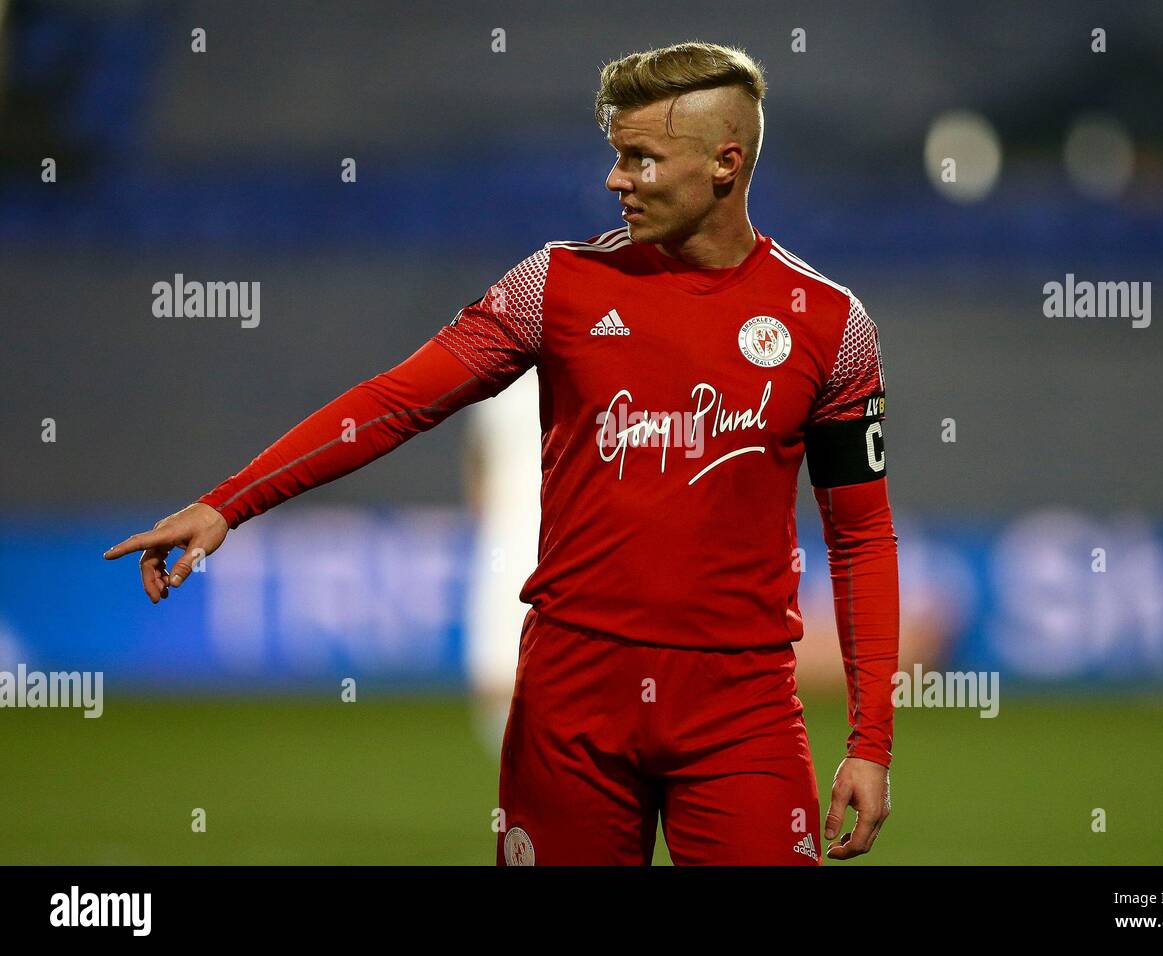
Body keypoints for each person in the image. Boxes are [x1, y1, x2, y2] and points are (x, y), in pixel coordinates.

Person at [103, 41, 899, 866]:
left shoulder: (830, 326)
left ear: (725, 163)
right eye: (615, 155)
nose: (615, 178)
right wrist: (229, 502)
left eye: (642, 158)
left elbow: (862, 539)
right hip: (572, 695)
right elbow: (395, 400)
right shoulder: (554, 286)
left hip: (742, 708)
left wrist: (871, 740)